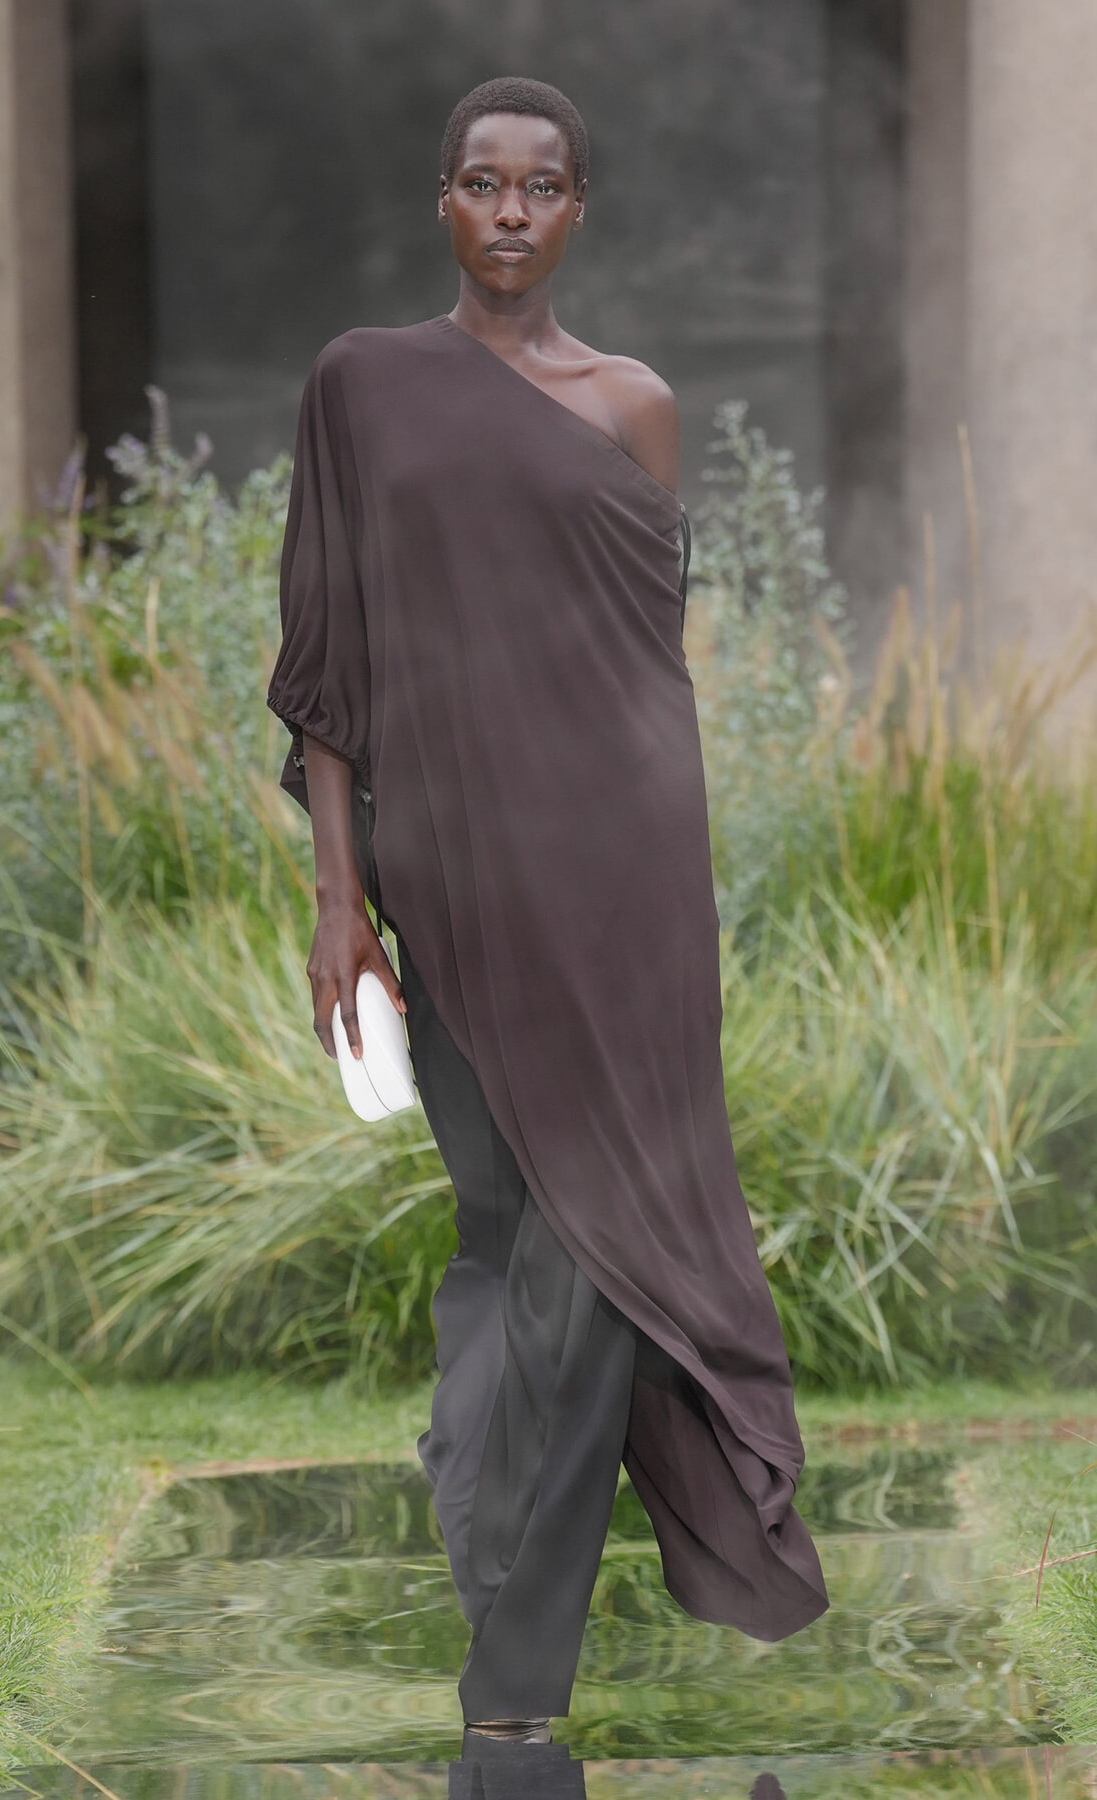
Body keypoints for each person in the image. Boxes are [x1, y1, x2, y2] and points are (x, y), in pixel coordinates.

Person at [267, 75, 828, 1745]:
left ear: (580, 212)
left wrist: (671, 883)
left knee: (592, 1263)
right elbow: (330, 666)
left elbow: (644, 678)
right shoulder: (361, 387)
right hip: (454, 881)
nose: (513, 210)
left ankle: (515, 1683)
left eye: (546, 185)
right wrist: (338, 897)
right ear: (441, 202)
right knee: (512, 1232)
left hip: (624, 880)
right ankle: (475, 1467)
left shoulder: (635, 407)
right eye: (485, 183)